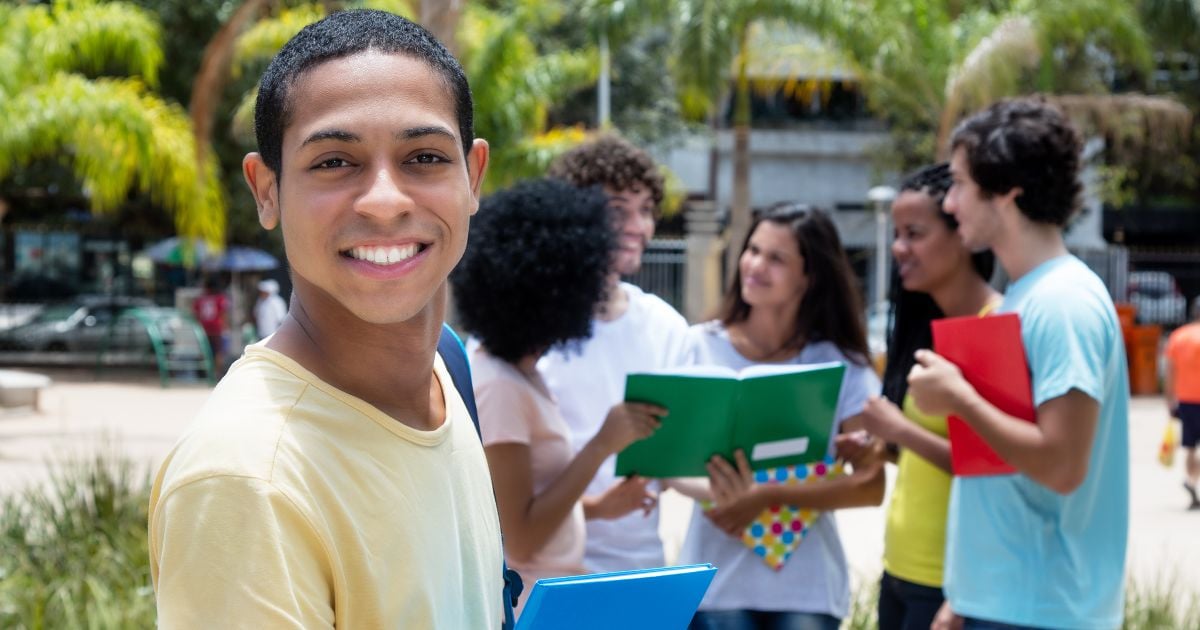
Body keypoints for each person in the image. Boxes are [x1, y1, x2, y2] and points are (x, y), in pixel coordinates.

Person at [149, 10, 506, 628]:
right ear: (266, 190)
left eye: (424, 156)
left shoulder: (444, 376)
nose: (386, 202)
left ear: (472, 176)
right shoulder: (248, 478)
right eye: (335, 162)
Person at [910, 98, 1130, 630]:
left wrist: (958, 397)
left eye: (960, 184)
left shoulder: (1062, 303)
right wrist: (965, 594)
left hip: (1043, 611)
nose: (951, 202)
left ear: (1007, 193)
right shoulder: (1027, 296)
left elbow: (1061, 464)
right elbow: (1006, 470)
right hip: (1007, 604)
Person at [452, 178, 664, 615]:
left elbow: (529, 502)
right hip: (534, 605)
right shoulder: (499, 385)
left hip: (555, 595)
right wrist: (602, 445)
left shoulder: (521, 373)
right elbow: (522, 534)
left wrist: (600, 509)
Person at [680, 203, 886, 630]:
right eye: (753, 250)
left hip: (806, 591)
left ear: (809, 276)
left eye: (776, 258)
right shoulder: (697, 347)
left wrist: (768, 496)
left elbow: (870, 486)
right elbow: (663, 462)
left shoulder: (839, 364)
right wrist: (721, 493)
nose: (755, 265)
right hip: (714, 587)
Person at [537, 135, 693, 572]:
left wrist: (730, 479)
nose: (637, 227)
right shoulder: (529, 331)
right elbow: (509, 503)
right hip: (552, 577)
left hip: (644, 570)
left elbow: (676, 464)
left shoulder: (666, 327)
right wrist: (597, 508)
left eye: (646, 211)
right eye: (618, 209)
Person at [857, 163, 998, 630]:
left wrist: (900, 430)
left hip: (948, 586)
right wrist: (882, 446)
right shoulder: (926, 327)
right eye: (897, 233)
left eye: (914, 233)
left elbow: (994, 466)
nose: (899, 248)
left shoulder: (993, 324)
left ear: (963, 234)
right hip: (899, 572)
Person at [1165, 297, 1200, 510]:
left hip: (1186, 399)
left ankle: (1191, 481)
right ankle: (1193, 481)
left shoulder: (1178, 337)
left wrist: (1169, 400)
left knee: (1189, 447)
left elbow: (1169, 371)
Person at [192, 276, 229, 369]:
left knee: (205, 350)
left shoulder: (201, 299)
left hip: (203, 327)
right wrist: (225, 326)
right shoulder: (220, 298)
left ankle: (206, 371)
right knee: (218, 351)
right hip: (217, 327)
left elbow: (195, 313)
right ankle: (217, 371)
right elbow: (223, 313)